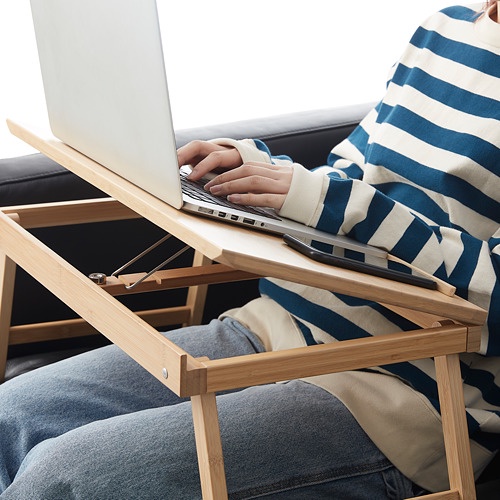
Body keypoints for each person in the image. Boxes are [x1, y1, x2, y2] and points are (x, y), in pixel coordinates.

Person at [1, 2, 499, 498]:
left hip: (403, 395)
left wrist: (327, 201)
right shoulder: (445, 29)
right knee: (9, 418)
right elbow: (352, 179)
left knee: (63, 478)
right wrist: (260, 177)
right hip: (276, 326)